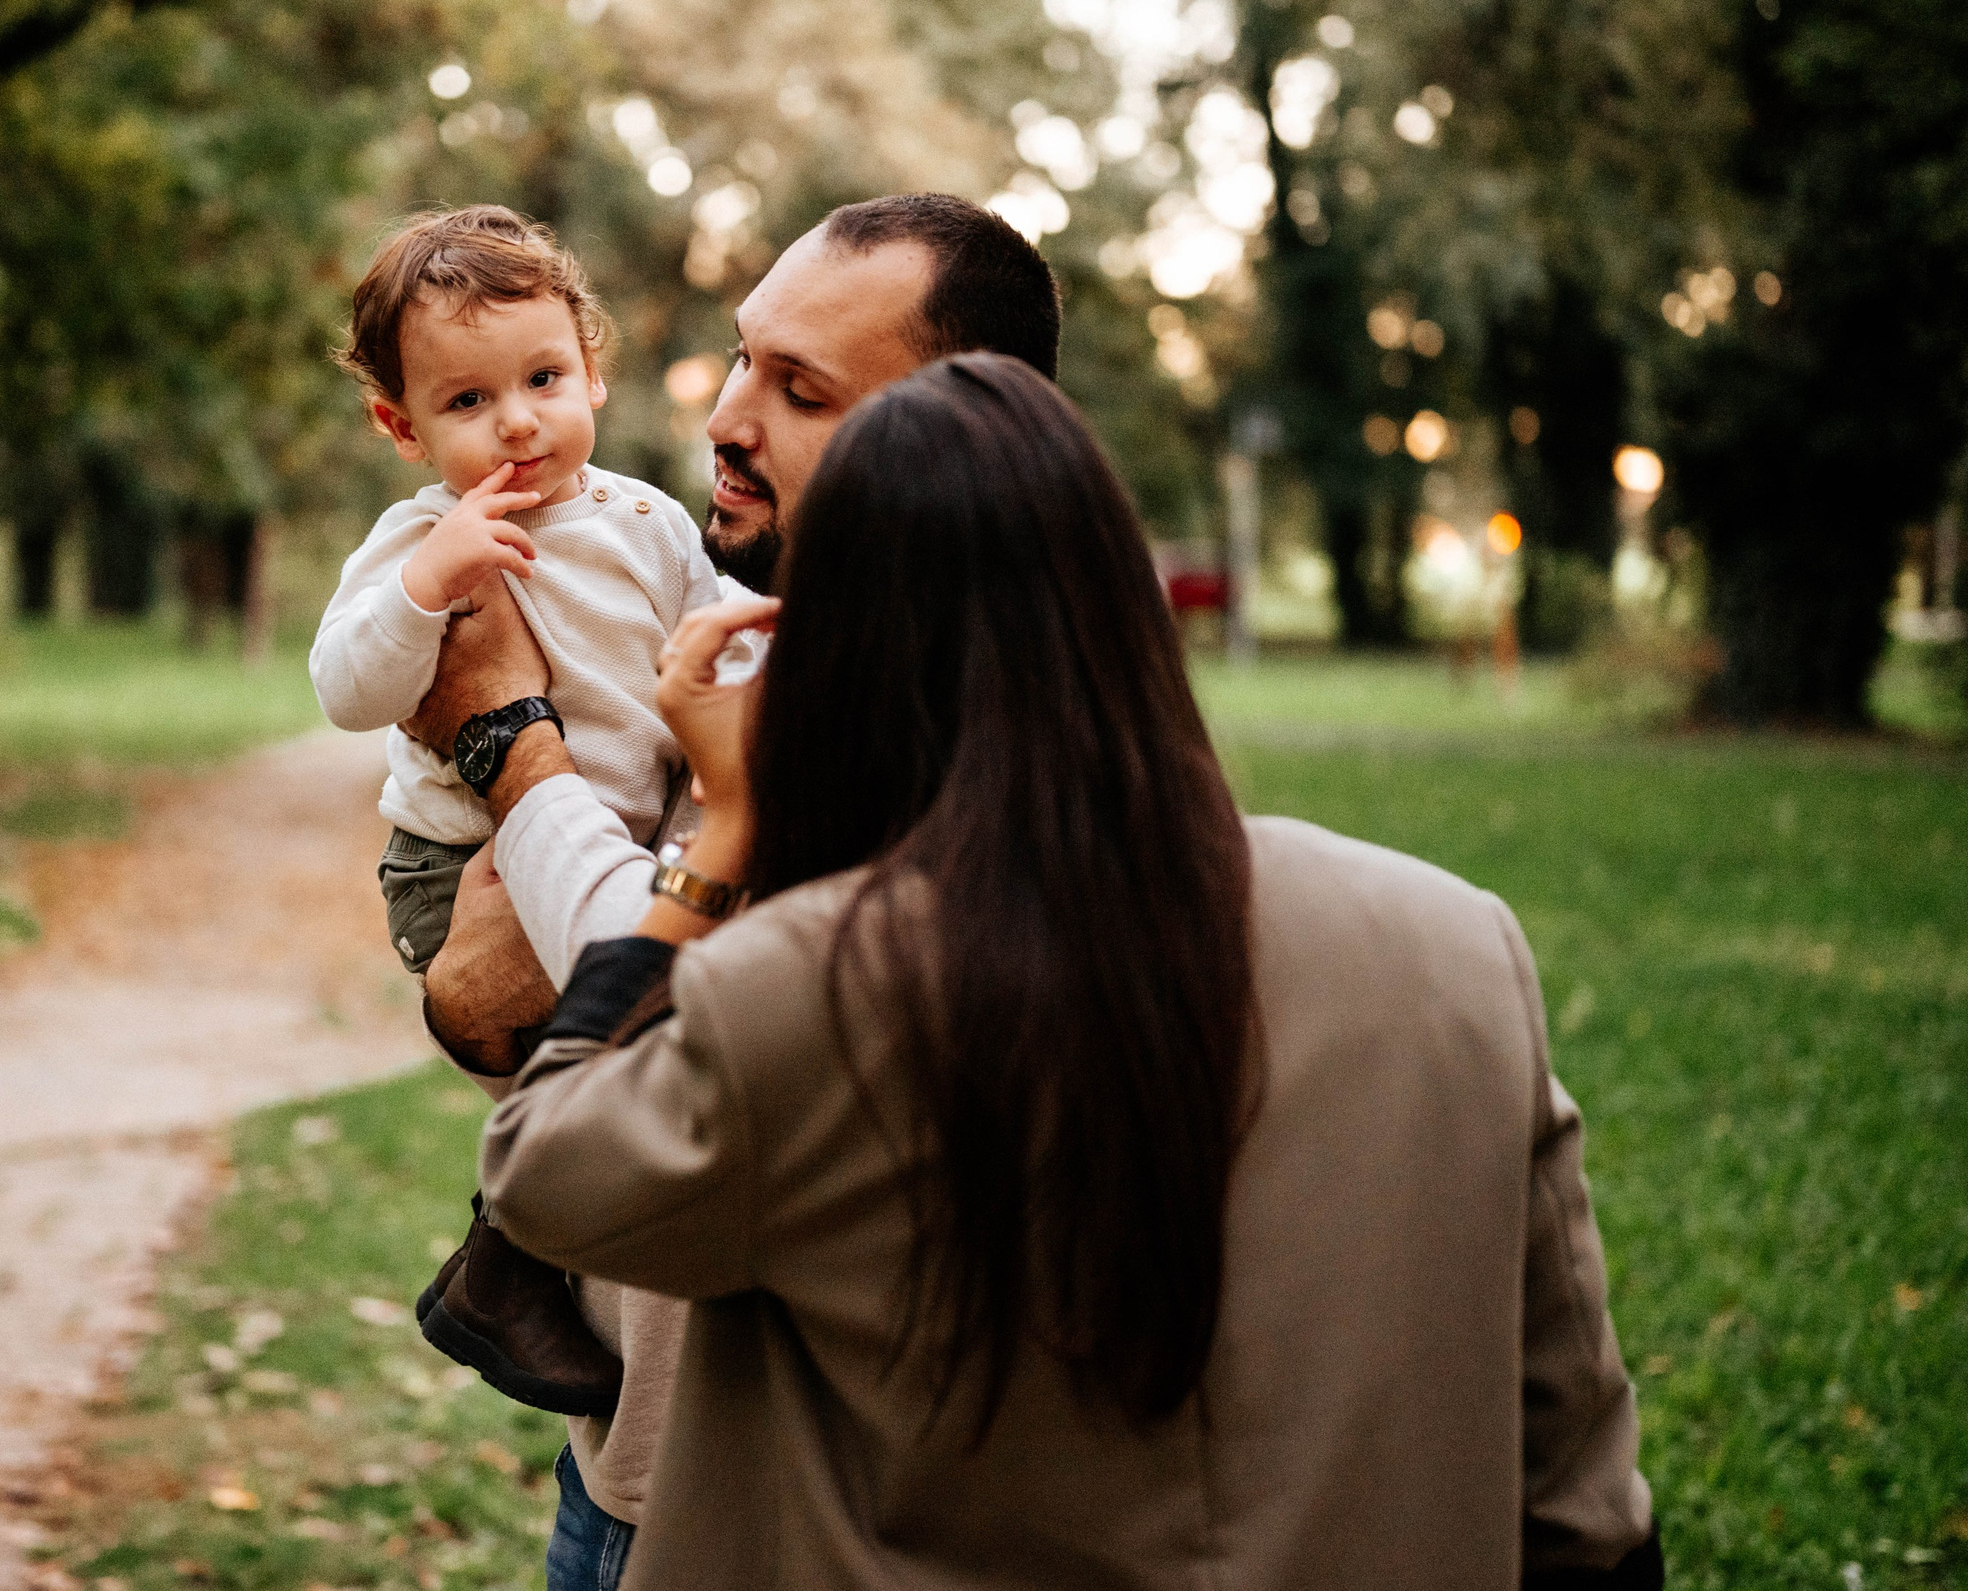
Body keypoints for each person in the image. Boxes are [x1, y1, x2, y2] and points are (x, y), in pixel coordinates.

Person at [481, 353, 1664, 1589]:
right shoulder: (1454, 948)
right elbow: (1581, 1493)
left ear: (829, 653)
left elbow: (547, 1171)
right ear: (1127, 610)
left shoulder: (811, 988)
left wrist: (723, 835)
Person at [402, 194, 1064, 1585]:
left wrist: (511, 745)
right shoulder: (748, 644)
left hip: (759, 1505)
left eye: (800, 387)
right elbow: (499, 992)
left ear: (952, 434)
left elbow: (678, 1008)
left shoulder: (936, 723)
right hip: (622, 1449)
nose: (726, 414)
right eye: (743, 356)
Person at [312, 204, 731, 1417]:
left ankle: (511, 1266)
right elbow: (349, 692)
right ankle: (516, 1258)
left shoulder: (652, 523)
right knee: (614, 1048)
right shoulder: (413, 543)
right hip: (462, 869)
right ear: (401, 426)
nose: (518, 421)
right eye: (466, 403)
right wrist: (423, 589)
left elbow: (708, 650)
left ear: (591, 365)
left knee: (620, 1061)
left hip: (621, 846)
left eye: (544, 378)